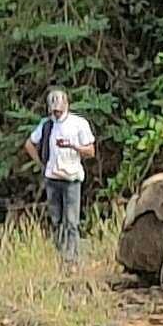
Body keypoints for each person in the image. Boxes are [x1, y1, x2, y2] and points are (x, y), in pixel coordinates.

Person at [27, 87, 98, 257]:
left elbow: (91, 151)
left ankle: (72, 259)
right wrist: (41, 164)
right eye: (54, 111)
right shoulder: (46, 125)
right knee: (56, 220)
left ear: (67, 105)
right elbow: (29, 144)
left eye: (59, 110)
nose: (57, 114)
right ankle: (61, 255)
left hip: (72, 178)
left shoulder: (79, 124)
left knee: (72, 222)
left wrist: (73, 146)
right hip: (52, 178)